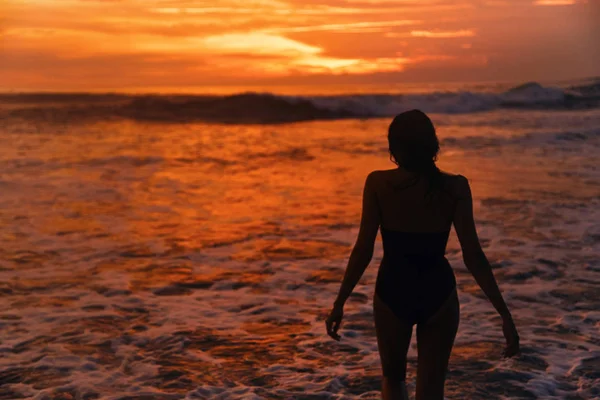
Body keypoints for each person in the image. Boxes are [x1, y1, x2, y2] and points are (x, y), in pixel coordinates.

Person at [325, 110, 520, 400]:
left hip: (393, 288)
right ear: (433, 144)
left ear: (394, 147)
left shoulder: (378, 184)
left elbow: (363, 248)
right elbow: (473, 254)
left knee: (392, 379)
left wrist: (340, 302)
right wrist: (504, 314)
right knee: (431, 389)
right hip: (437, 291)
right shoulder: (455, 187)